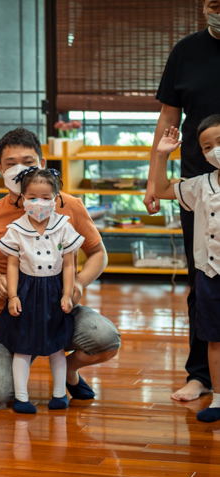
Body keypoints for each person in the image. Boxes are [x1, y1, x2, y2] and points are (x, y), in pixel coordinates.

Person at [0, 128, 121, 408]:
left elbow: (98, 253)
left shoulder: (69, 206)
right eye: (10, 163)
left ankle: (69, 374)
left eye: (27, 162)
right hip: (16, 314)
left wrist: (79, 283)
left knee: (105, 339)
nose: (19, 169)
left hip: (60, 309)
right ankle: (20, 377)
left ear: (41, 162)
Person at [144, 0, 220, 402]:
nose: (217, 10)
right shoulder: (185, 51)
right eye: (212, 4)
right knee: (203, 282)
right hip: (198, 184)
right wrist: (152, 180)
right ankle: (200, 375)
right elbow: (168, 118)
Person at [0, 168, 83, 413]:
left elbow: (69, 264)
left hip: (54, 291)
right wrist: (12, 295)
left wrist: (67, 294)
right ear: (23, 199)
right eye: (33, 197)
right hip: (26, 292)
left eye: (45, 197)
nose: (39, 203)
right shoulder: (16, 228)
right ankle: (21, 397)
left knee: (56, 344)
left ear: (55, 199)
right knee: (22, 344)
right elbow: (12, 265)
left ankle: (59, 394)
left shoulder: (64, 226)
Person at [153, 117, 220, 422]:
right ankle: (218, 398)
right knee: (213, 338)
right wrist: (161, 154)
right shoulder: (200, 185)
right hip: (210, 274)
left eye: (219, 142)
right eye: (208, 146)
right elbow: (163, 189)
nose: (215, 150)